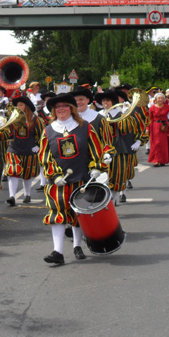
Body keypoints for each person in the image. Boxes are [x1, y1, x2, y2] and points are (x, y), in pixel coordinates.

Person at [39, 93, 107, 266]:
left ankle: (77, 246)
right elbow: (45, 157)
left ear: (72, 109)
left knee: (79, 213)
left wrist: (96, 167)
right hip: (59, 182)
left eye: (65, 106)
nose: (61, 109)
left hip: (82, 178)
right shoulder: (48, 130)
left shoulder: (85, 127)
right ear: (54, 110)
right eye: (58, 107)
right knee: (57, 213)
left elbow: (95, 149)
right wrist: (54, 175)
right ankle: (58, 252)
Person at [5, 96, 45, 205]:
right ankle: (12, 196)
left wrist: (38, 146)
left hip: (29, 150)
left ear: (26, 107)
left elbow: (42, 134)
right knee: (13, 171)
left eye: (21, 105)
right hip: (14, 149)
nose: (18, 107)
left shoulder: (35, 119)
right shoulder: (12, 118)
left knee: (28, 174)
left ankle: (27, 194)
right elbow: (7, 134)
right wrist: (4, 125)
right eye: (17, 105)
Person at [148, 92, 169, 167]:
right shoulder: (152, 108)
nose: (160, 100)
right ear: (156, 99)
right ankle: (156, 160)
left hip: (164, 127)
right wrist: (148, 128)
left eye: (162, 98)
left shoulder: (167, 106)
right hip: (155, 126)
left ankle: (163, 160)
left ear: (164, 100)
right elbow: (149, 119)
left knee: (163, 144)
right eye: (159, 98)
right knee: (156, 143)